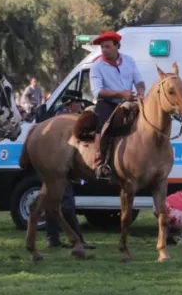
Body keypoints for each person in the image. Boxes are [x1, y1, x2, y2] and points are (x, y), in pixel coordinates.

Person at [87, 30, 145, 179]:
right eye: (102, 47)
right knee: (103, 126)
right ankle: (100, 162)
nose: (104, 50)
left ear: (117, 46)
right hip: (108, 102)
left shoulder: (129, 61)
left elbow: (139, 81)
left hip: (130, 101)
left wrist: (140, 92)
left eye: (107, 46)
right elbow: (97, 91)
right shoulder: (96, 66)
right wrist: (120, 94)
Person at [46, 90, 95, 250]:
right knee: (67, 203)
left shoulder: (61, 116)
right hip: (59, 165)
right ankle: (77, 239)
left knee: (52, 200)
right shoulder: (66, 119)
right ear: (71, 103)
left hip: (57, 163)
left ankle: (53, 238)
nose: (80, 106)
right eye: (78, 103)